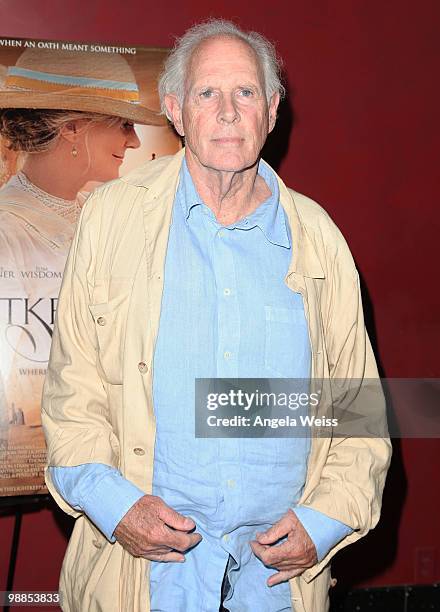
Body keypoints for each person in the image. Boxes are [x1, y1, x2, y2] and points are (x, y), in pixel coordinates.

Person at [42, 20, 391, 612]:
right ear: (175, 109)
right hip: (144, 581)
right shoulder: (109, 220)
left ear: (272, 109)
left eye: (246, 93)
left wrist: (325, 520)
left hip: (275, 589)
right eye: (207, 93)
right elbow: (72, 397)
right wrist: (116, 506)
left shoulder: (321, 240)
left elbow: (355, 411)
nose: (228, 112)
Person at [0, 47, 161, 429]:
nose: (136, 142)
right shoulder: (8, 230)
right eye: (123, 124)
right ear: (71, 128)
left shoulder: (107, 215)